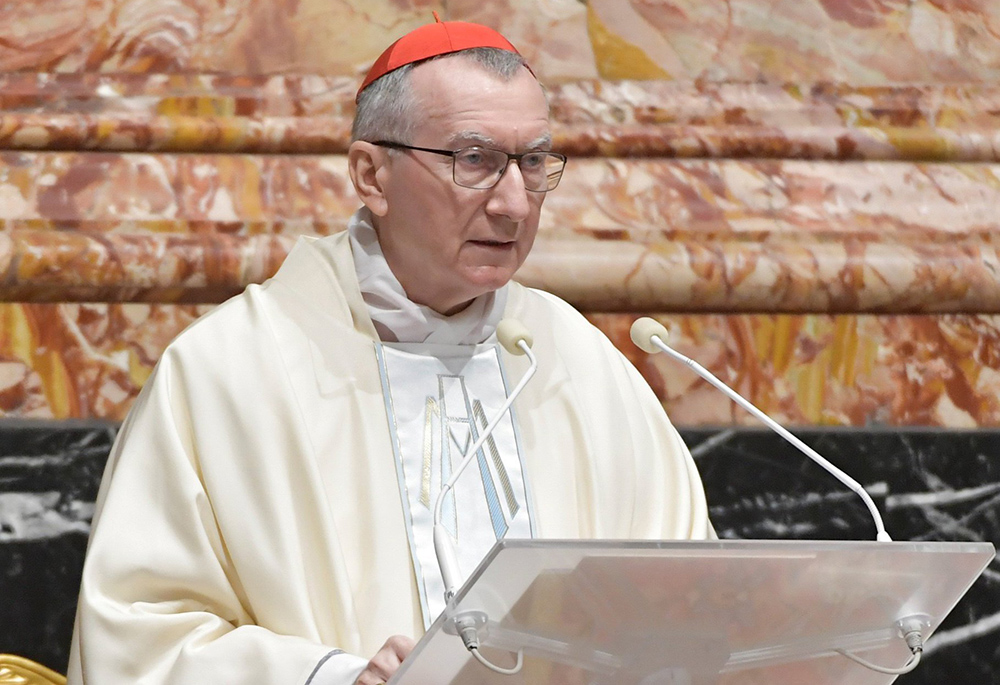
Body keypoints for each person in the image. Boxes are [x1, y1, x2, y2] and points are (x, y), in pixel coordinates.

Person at [66, 18, 713, 685]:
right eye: (475, 161)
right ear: (371, 175)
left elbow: (694, 609)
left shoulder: (581, 365)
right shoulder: (230, 372)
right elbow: (139, 636)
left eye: (533, 162)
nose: (515, 204)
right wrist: (331, 677)